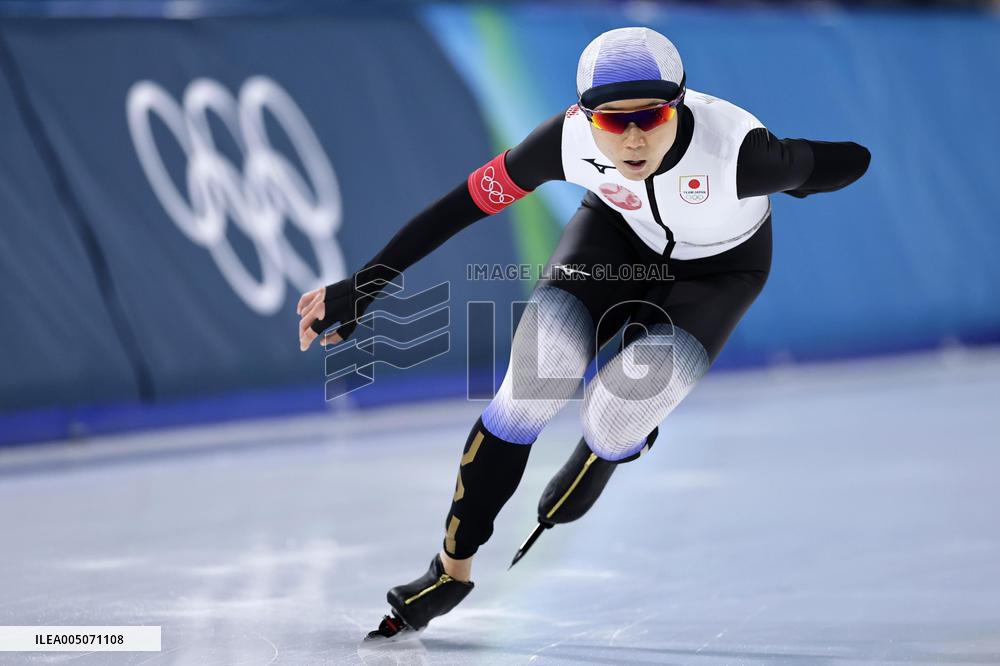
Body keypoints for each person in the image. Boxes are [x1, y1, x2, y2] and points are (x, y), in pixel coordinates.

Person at [297, 27, 871, 640]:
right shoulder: (566, 141)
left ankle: (608, 446)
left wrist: (801, 170)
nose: (630, 137)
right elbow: (460, 206)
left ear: (679, 102)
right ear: (581, 115)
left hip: (722, 271)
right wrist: (363, 286)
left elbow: (853, 159)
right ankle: (449, 570)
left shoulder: (740, 153)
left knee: (617, 412)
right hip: (613, 239)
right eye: (609, 120)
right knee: (529, 388)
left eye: (649, 115)